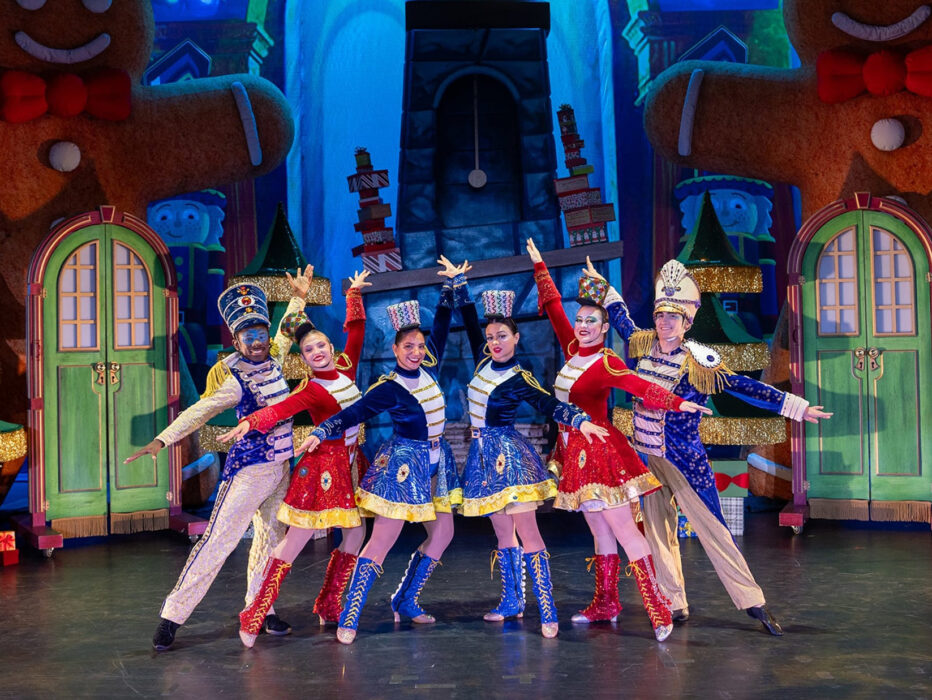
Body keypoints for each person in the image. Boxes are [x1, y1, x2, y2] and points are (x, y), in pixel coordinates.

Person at [585, 257, 832, 636]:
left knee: (714, 531)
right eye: (660, 315)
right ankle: (673, 602)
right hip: (646, 459)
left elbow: (743, 387)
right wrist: (602, 288)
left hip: (685, 461)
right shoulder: (643, 344)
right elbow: (620, 319)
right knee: (657, 533)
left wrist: (796, 407)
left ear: (687, 322)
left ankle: (753, 601)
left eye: (673, 317)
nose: (665, 322)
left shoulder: (699, 362)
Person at [527, 239, 711, 642]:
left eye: (591, 321)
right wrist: (540, 267)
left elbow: (640, 387)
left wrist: (679, 403)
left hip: (600, 453)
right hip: (573, 451)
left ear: (604, 327)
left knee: (624, 530)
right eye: (580, 320)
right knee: (599, 530)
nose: (582, 326)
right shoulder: (572, 349)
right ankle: (606, 602)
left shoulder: (606, 362)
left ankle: (658, 608)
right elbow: (554, 310)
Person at [126, 266, 314, 650]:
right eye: (249, 336)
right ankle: (172, 617)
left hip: (281, 469)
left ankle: (260, 609)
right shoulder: (232, 377)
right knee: (217, 543)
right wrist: (162, 441)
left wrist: (299, 296)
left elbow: (286, 330)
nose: (257, 341)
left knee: (270, 542)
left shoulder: (275, 356)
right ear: (236, 339)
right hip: (248, 473)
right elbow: (199, 411)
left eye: (260, 333)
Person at [298, 258, 472, 644]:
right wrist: (322, 430)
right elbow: (354, 412)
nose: (416, 351)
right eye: (408, 346)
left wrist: (450, 288)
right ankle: (350, 612)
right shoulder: (388, 387)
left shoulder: (429, 366)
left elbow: (442, 327)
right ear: (395, 349)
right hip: (403, 465)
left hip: (437, 461)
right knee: (381, 541)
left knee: (443, 533)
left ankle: (405, 599)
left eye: (420, 346)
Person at [218, 270, 372, 647]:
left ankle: (329, 603)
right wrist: (250, 422)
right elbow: (280, 409)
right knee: (294, 543)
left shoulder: (347, 367)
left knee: (356, 533)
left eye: (320, 345)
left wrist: (353, 294)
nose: (317, 352)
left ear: (330, 347)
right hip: (322, 471)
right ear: (303, 359)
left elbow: (357, 332)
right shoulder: (312, 389)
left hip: (351, 465)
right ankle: (254, 612)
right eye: (308, 351)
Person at [456, 278, 609, 638]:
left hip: (508, 459)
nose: (495, 342)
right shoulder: (482, 361)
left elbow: (548, 403)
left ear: (516, 338)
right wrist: (458, 286)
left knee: (528, 533)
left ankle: (547, 609)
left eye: (502, 336)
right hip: (481, 459)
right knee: (502, 533)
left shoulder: (519, 377)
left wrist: (579, 420)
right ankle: (512, 601)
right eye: (491, 337)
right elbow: (470, 322)